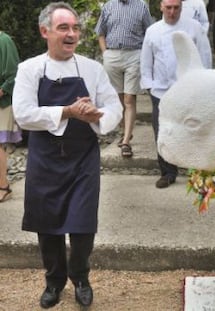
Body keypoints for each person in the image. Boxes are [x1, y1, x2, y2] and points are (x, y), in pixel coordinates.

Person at [12, 2, 122, 308]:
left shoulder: (92, 68)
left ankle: (81, 277)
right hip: (45, 159)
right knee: (47, 226)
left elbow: (116, 108)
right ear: (45, 32)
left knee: (83, 224)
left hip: (82, 157)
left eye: (75, 28)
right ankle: (54, 281)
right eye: (64, 28)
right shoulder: (29, 69)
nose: (72, 33)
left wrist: (95, 115)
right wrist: (66, 111)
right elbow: (23, 115)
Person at [140, 0, 212, 189]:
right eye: (168, 7)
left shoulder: (194, 27)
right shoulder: (153, 31)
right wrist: (149, 85)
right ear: (161, 7)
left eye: (176, 8)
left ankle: (196, 173)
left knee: (193, 131)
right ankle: (167, 172)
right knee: (162, 132)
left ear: (181, 7)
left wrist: (203, 83)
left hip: (188, 90)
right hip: (161, 91)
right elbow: (146, 62)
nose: (172, 12)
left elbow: (205, 55)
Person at [95, 0, 153, 158]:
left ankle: (126, 141)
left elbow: (150, 32)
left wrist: (144, 55)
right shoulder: (108, 6)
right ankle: (124, 129)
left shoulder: (141, 6)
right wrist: (105, 53)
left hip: (134, 55)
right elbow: (100, 32)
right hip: (112, 55)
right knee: (118, 99)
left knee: (129, 98)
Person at [0, 31, 22, 203]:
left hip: (2, 103)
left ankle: (3, 187)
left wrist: (2, 91)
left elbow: (13, 74)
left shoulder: (4, 41)